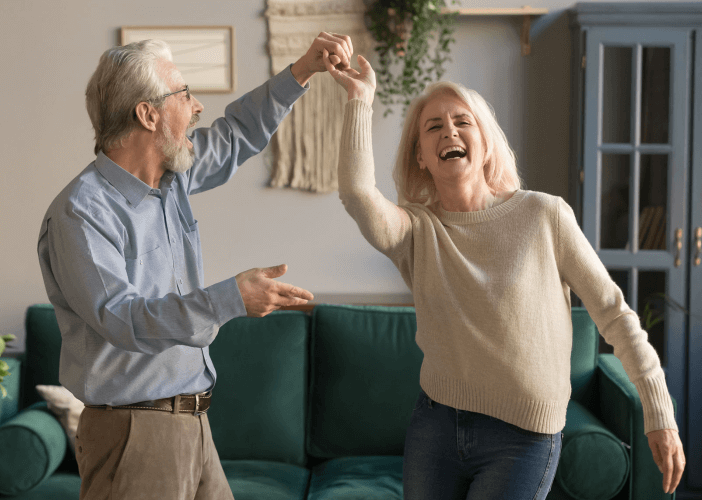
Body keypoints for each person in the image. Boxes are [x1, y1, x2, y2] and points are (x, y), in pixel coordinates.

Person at [323, 53, 686, 498]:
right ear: (421, 156)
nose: (449, 131)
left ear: (486, 143)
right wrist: (360, 99)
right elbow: (358, 193)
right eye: (434, 127)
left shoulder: (544, 215)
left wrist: (659, 411)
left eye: (462, 121)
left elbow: (613, 312)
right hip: (436, 426)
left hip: (525, 437)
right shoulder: (415, 231)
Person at [37, 33, 353, 500]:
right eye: (184, 94)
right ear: (148, 114)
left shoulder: (171, 181)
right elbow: (122, 318)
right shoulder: (81, 213)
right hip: (135, 433)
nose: (198, 106)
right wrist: (230, 299)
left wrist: (303, 69)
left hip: (193, 423)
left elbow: (237, 134)